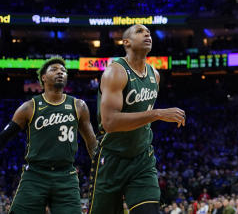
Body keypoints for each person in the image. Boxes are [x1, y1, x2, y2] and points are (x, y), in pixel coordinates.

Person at [89, 24, 186, 214]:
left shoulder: (154, 75)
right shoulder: (115, 72)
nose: (147, 34)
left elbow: (141, 118)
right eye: (140, 32)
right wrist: (157, 114)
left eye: (148, 32)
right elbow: (109, 123)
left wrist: (154, 115)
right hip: (111, 158)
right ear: (127, 42)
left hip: (142, 159)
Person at [0, 57, 97, 213]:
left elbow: (92, 144)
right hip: (35, 175)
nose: (60, 72)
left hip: (66, 175)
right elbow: (4, 137)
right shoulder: (29, 107)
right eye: (54, 69)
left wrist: (104, 166)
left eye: (63, 71)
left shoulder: (79, 106)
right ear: (43, 78)